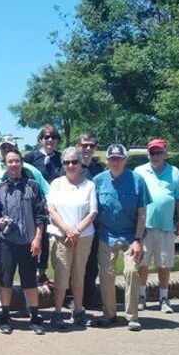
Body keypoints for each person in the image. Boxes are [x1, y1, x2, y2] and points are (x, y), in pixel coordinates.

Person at [92, 144, 151, 331]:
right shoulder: (98, 181)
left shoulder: (137, 180)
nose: (115, 162)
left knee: (131, 271)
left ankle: (132, 316)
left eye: (119, 158)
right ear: (107, 160)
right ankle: (109, 314)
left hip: (131, 236)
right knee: (106, 274)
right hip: (106, 235)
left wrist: (138, 240)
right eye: (112, 159)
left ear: (125, 160)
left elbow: (142, 214)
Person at [0, 150, 49, 335]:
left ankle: (35, 316)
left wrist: (38, 238)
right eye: (10, 162)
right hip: (7, 241)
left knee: (30, 281)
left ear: (21, 164)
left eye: (16, 161)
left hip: (28, 241)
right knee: (5, 280)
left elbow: (41, 215)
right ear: (5, 164)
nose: (13, 165)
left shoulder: (33, 186)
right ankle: (6, 316)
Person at [46, 147, 98, 327]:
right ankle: (58, 312)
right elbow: (51, 210)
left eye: (74, 162)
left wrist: (76, 231)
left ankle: (78, 310)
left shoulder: (89, 185)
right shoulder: (56, 184)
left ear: (80, 163)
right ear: (62, 164)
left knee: (78, 274)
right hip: (61, 236)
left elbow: (93, 212)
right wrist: (68, 230)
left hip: (83, 237)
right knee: (61, 274)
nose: (71, 165)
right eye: (67, 162)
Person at [134, 139, 179, 314]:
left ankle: (164, 297)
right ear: (148, 153)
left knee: (165, 263)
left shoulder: (174, 172)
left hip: (166, 226)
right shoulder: (139, 171)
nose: (155, 155)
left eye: (159, 152)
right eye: (152, 152)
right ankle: (141, 296)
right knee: (142, 263)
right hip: (144, 226)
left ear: (165, 153)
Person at [24, 124, 63, 286]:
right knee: (35, 236)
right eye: (46, 137)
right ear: (40, 139)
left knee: (48, 239)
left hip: (55, 202)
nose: (50, 140)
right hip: (35, 202)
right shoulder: (32, 157)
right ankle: (30, 271)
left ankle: (42, 272)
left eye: (53, 137)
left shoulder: (60, 158)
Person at [78, 132, 105, 309]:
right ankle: (71, 297)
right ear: (79, 146)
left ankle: (89, 296)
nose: (88, 148)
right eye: (85, 145)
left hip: (94, 223)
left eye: (92, 145)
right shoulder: (72, 165)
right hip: (74, 223)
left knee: (92, 261)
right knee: (74, 263)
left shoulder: (100, 169)